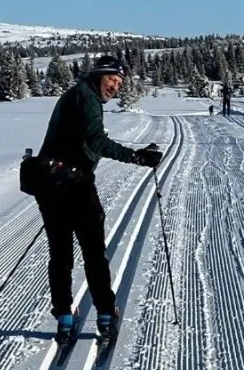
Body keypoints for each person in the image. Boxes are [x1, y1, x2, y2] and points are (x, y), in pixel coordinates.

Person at [35, 55, 163, 343]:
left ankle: (65, 319)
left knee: (60, 254)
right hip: (74, 183)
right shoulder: (87, 98)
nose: (115, 87)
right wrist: (136, 157)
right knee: (93, 251)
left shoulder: (76, 95)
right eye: (112, 80)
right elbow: (95, 140)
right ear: (98, 76)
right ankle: (105, 316)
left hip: (48, 182)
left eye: (119, 83)